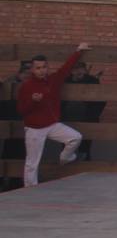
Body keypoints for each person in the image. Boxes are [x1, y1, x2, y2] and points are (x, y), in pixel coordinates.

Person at [18, 44, 92, 186]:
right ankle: (29, 191)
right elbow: (22, 110)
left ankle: (65, 158)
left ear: (48, 67)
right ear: (33, 70)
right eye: (38, 68)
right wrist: (33, 101)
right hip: (34, 128)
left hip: (52, 124)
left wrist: (78, 51)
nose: (41, 70)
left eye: (44, 67)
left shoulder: (53, 80)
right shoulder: (26, 87)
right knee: (32, 163)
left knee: (75, 137)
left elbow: (66, 68)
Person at [62, 61, 105, 161]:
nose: (78, 71)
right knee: (67, 145)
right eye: (75, 69)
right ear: (71, 71)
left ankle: (84, 163)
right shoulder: (66, 81)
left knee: (85, 147)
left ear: (85, 70)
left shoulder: (92, 81)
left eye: (80, 69)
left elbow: (100, 100)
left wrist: (92, 115)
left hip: (87, 118)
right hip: (68, 119)